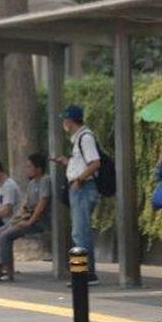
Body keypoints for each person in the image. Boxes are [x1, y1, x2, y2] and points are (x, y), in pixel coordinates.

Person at [0, 153, 51, 281]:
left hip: (37, 221)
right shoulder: (31, 184)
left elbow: (42, 203)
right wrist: (23, 214)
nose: (26, 169)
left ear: (38, 169)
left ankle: (9, 272)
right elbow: (26, 203)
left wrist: (30, 221)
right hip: (24, 218)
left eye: (29, 167)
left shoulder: (44, 180)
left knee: (5, 236)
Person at [53, 104, 101, 285]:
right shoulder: (79, 138)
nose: (63, 123)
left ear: (70, 120)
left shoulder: (85, 137)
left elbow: (95, 163)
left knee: (81, 232)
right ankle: (85, 272)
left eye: (64, 120)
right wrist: (68, 163)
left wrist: (79, 180)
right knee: (79, 231)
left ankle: (87, 273)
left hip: (83, 188)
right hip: (80, 187)